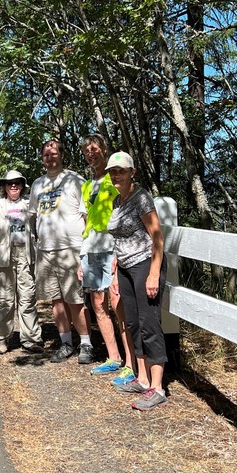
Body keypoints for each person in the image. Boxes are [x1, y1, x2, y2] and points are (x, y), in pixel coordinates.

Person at [106, 152, 168, 411]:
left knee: (148, 323)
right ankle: (142, 379)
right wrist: (116, 269)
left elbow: (157, 237)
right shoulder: (118, 201)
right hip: (126, 268)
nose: (116, 175)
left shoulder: (141, 197)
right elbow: (120, 240)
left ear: (133, 171)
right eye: (112, 171)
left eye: (121, 170)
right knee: (132, 323)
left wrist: (153, 273)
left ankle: (158, 387)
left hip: (145, 265)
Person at [29, 139, 93, 364]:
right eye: (46, 154)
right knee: (55, 300)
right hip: (45, 250)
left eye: (54, 153)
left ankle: (86, 344)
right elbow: (34, 216)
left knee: (75, 300)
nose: (50, 157)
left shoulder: (75, 181)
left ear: (62, 155)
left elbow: (87, 217)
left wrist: (84, 252)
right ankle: (66, 343)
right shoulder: (37, 184)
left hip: (70, 249)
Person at [78, 135, 135, 385]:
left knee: (119, 305)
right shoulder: (87, 185)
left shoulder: (116, 180)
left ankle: (132, 363)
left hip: (113, 249)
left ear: (104, 150)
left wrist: (119, 253)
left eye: (95, 149)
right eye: (87, 151)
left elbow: (125, 214)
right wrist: (83, 252)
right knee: (98, 305)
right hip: (91, 248)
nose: (91, 154)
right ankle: (113, 357)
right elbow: (85, 219)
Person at [0, 170, 43, 355]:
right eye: (10, 183)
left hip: (25, 255)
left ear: (23, 185)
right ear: (4, 187)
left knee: (27, 298)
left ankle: (31, 339)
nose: (13, 186)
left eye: (17, 182)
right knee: (3, 300)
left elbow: (40, 228)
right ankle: (1, 339)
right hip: (2, 257)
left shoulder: (29, 206)